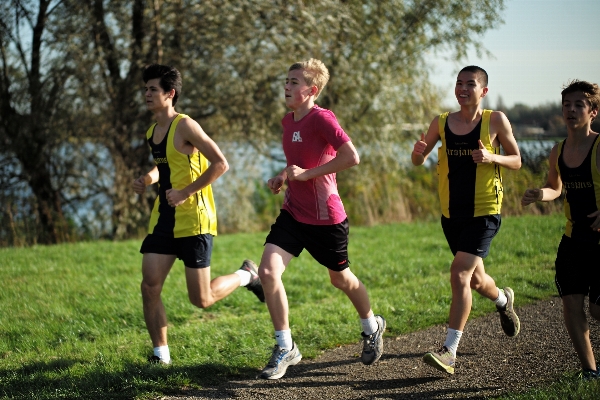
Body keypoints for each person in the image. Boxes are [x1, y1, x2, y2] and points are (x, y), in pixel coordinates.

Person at [257, 58, 385, 380]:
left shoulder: (322, 119)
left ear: (312, 90)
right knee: (268, 271)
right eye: (286, 80)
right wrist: (283, 177)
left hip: (327, 219)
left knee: (340, 279)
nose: (287, 86)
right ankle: (285, 346)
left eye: (294, 82)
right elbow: (297, 164)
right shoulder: (288, 122)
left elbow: (351, 157)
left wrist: (306, 175)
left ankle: (372, 324)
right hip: (293, 214)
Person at [132, 64, 265, 365]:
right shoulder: (153, 131)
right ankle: (160, 356)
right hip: (164, 219)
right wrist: (148, 179)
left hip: (194, 219)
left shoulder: (186, 126)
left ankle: (247, 275)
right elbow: (165, 166)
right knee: (150, 285)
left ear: (170, 93)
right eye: (146, 88)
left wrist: (185, 192)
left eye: (153, 89)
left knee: (201, 299)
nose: (147, 93)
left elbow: (220, 163)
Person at [411, 65, 522, 374]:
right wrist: (419, 153)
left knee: (459, 274)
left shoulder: (495, 120)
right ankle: (502, 299)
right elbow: (419, 159)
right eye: (459, 83)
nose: (462, 88)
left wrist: (492, 157)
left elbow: (517, 160)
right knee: (476, 280)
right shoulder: (442, 122)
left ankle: (449, 351)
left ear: (483, 91)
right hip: (451, 214)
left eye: (470, 84)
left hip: (485, 211)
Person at [522, 80, 600, 380]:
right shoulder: (558, 150)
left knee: (596, 309)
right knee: (571, 305)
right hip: (573, 240)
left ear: (592, 112)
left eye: (578, 105)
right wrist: (541, 194)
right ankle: (590, 371)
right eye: (566, 105)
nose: (570, 110)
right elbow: (556, 186)